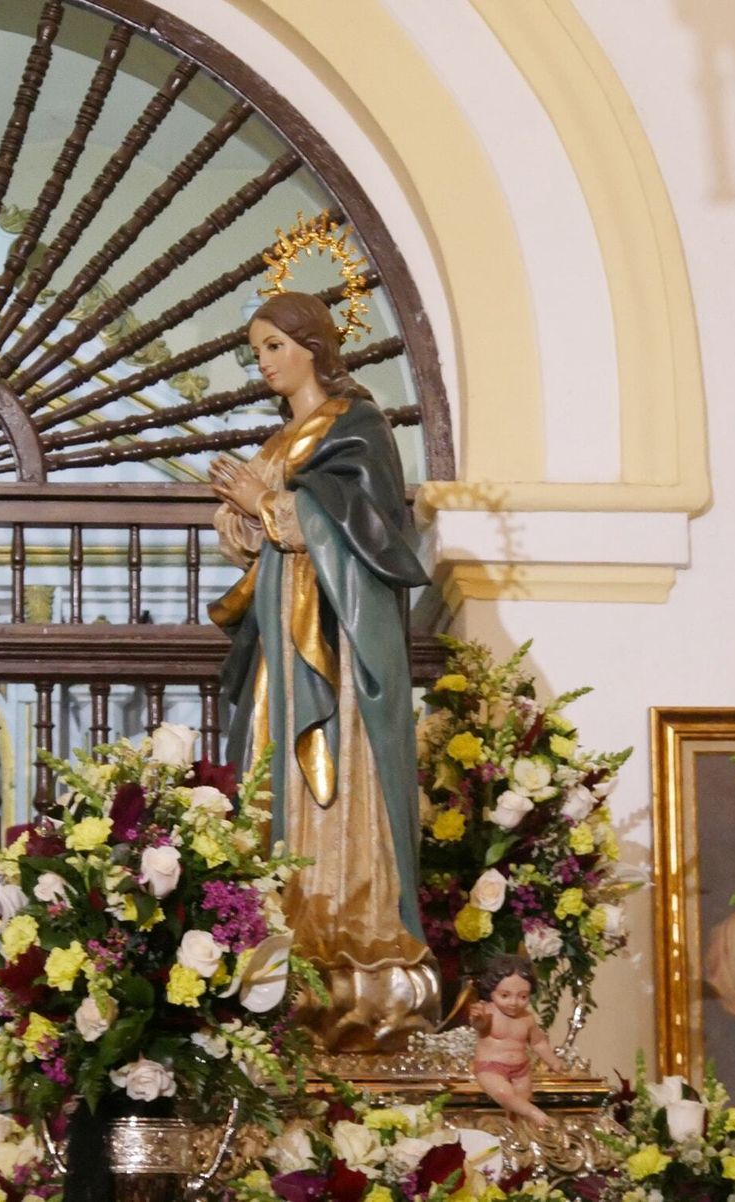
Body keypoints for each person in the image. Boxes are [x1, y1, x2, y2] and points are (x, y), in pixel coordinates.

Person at [209, 290, 438, 1053]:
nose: (265, 363)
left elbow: (366, 529)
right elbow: (258, 547)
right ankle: (284, 925)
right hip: (281, 640)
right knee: (272, 776)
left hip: (335, 647)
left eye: (274, 345)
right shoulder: (279, 443)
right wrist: (244, 519)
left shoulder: (357, 424)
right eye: (258, 350)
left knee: (339, 774)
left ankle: (352, 925)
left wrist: (271, 505)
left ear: (311, 345)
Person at [468, 954, 562, 1127]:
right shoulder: (487, 1011)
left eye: (523, 996)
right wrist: (478, 1017)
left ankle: (515, 1134)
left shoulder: (527, 1018)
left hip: (521, 1070)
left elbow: (538, 1043)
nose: (514, 1002)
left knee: (521, 1102)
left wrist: (553, 1061)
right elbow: (479, 1025)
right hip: (491, 1067)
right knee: (505, 1094)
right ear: (492, 991)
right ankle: (536, 1114)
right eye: (505, 995)